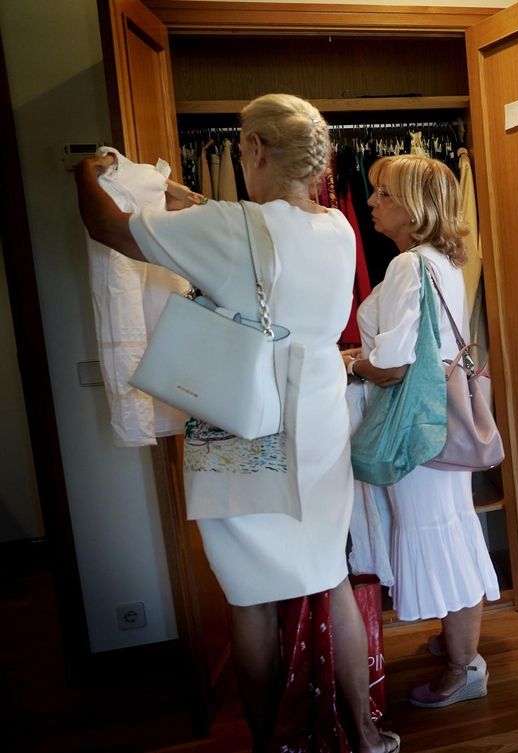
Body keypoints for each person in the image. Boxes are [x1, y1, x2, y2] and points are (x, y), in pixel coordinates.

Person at [74, 94, 398, 753]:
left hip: (243, 423)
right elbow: (251, 235)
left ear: (253, 149)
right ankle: (365, 734)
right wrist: (184, 196)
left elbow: (107, 225)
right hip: (317, 419)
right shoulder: (337, 227)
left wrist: (86, 170)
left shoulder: (229, 228)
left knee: (250, 596)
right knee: (329, 572)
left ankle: (269, 742)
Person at [344, 154, 500, 707]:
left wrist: (352, 364)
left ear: (412, 207)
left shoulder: (409, 265)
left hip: (415, 423)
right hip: (439, 418)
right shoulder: (441, 260)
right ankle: (459, 644)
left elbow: (393, 365)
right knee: (450, 527)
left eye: (383, 193)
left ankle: (464, 665)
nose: (371, 202)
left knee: (437, 532)